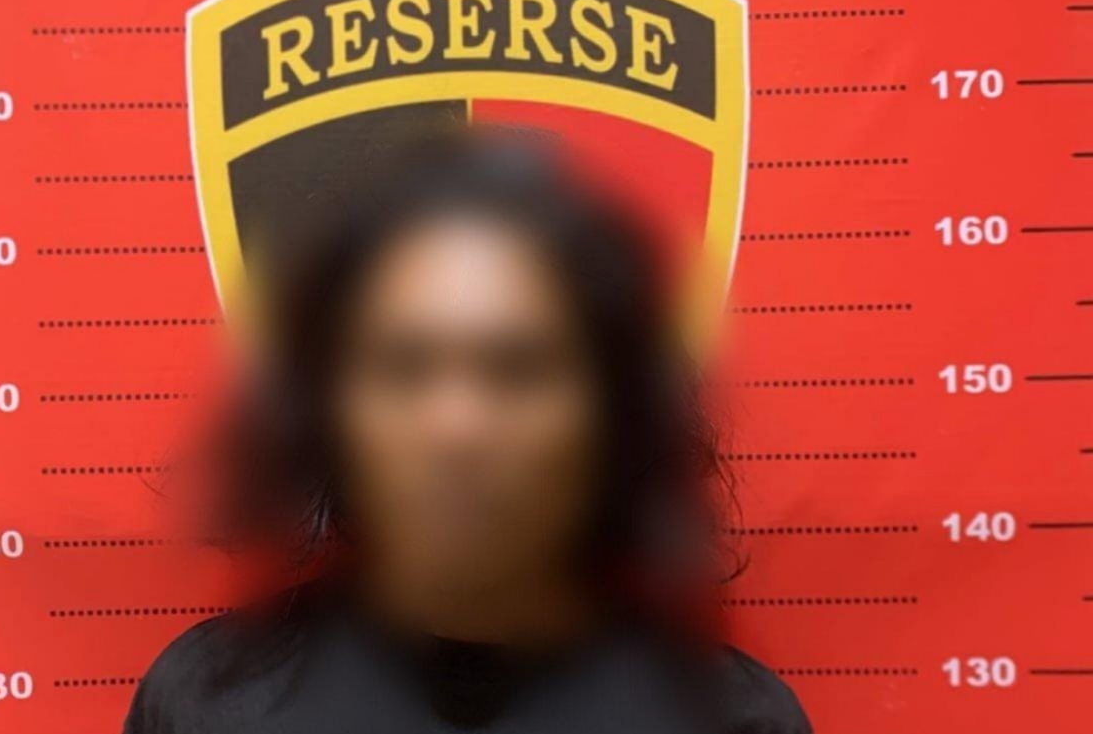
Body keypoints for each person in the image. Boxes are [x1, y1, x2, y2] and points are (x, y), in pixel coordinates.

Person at [123, 125, 811, 733]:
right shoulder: (205, 704)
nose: (458, 430)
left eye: (520, 367)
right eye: (403, 366)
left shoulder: (735, 719)